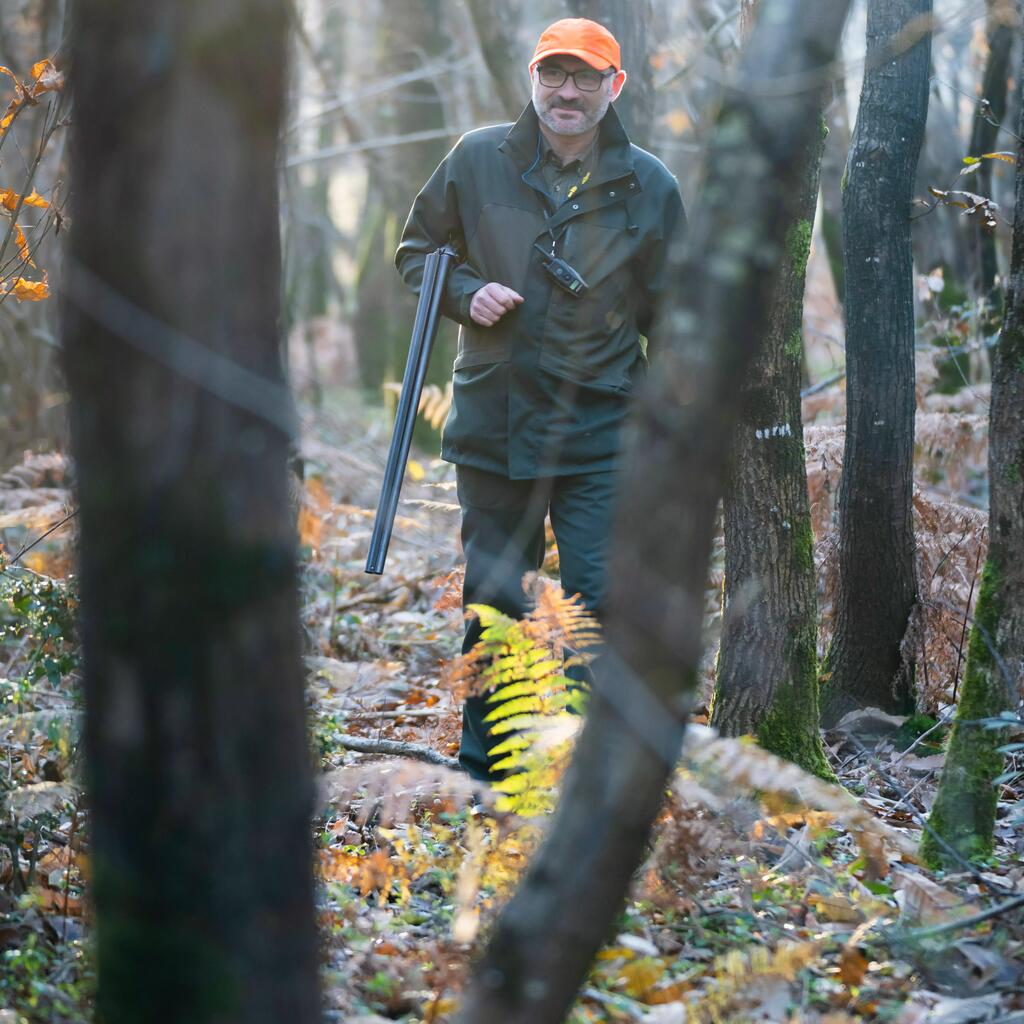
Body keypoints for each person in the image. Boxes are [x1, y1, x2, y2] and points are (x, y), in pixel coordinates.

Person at [396, 17, 686, 780]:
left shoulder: (652, 187)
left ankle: (586, 776)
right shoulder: (475, 159)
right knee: (495, 607)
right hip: (496, 426)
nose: (567, 90)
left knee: (597, 608)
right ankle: (487, 774)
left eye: (585, 77)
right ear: (532, 78)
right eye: (554, 74)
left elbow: (677, 320)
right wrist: (463, 290)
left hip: (603, 434)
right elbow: (415, 252)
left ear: (613, 87)